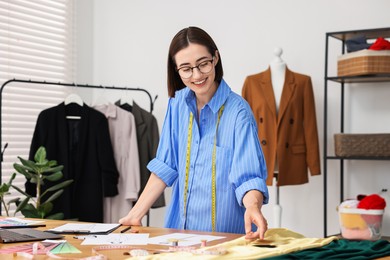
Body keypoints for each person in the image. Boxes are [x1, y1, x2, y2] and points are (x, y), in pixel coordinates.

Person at [119, 26, 269, 239]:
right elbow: (165, 166)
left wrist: (253, 207)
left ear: (215, 58)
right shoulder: (176, 104)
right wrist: (135, 214)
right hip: (177, 235)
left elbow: (248, 178)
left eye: (203, 64)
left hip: (225, 240)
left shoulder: (239, 112)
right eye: (187, 68)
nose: (197, 75)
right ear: (176, 69)